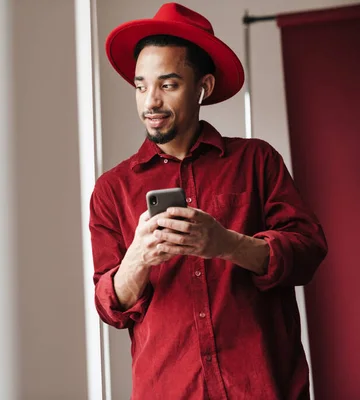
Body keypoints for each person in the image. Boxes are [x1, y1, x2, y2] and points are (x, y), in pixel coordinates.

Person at [89, 3, 328, 399]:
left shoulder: (257, 161)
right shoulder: (111, 189)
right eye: (140, 85)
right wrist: (139, 258)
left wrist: (226, 244)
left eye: (168, 85)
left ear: (204, 87)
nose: (150, 102)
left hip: (265, 388)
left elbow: (308, 251)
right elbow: (110, 306)